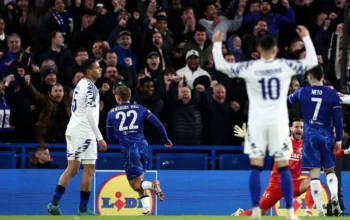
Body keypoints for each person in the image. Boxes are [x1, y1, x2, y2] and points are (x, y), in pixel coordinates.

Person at [212, 25, 318, 220]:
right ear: (276, 50)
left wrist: (217, 44)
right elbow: (311, 60)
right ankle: (290, 213)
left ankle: (255, 214)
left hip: (258, 123)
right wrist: (306, 37)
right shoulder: (285, 66)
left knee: (256, 167)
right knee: (284, 167)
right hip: (278, 123)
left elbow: (220, 66)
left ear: (258, 51)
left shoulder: (250, 67)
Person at [47, 59, 107, 216]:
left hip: (73, 130)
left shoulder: (80, 84)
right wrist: (99, 137)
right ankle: (82, 209)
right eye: (97, 67)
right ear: (89, 72)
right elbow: (89, 115)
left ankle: (54, 203)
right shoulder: (92, 89)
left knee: (72, 169)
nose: (100, 69)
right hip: (84, 132)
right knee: (89, 169)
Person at [106, 86, 173, 215]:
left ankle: (153, 186)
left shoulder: (111, 113)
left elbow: (110, 138)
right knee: (140, 180)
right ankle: (146, 210)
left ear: (118, 98)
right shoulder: (140, 108)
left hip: (128, 148)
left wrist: (121, 135)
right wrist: (166, 139)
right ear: (129, 96)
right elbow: (158, 124)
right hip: (143, 145)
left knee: (134, 184)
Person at [287, 66, 343, 216]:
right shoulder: (332, 94)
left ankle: (319, 210)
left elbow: (286, 101)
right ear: (323, 76)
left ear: (309, 77)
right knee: (330, 171)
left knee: (314, 175)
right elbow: (338, 120)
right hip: (327, 136)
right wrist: (338, 141)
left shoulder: (302, 91)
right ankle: (335, 197)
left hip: (310, 137)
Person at [232, 118, 309, 216]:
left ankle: (309, 211)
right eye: (296, 127)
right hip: (277, 185)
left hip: (293, 184)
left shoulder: (305, 145)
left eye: (301, 127)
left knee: (312, 182)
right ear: (290, 128)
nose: (299, 129)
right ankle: (239, 216)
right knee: (259, 213)